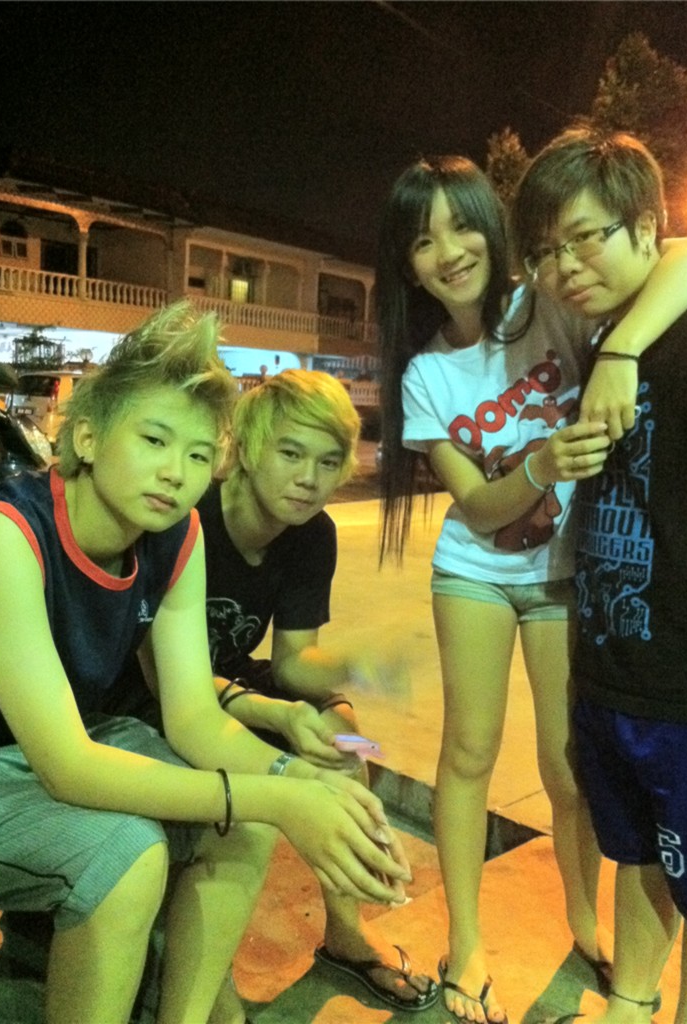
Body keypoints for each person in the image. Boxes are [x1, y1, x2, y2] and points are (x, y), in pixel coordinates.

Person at [0, 301, 413, 1024]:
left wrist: (301, 781)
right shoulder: (4, 534)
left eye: (196, 455)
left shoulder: (177, 534)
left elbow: (194, 715)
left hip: (28, 752)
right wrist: (280, 795)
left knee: (249, 819)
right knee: (124, 855)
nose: (176, 472)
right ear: (88, 436)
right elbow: (68, 765)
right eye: (155, 440)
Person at [375, 155, 687, 1024]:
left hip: (569, 572)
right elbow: (479, 507)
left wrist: (620, 350)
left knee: (570, 769)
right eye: (422, 241)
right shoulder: (425, 375)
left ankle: (583, 916)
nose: (449, 251)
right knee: (468, 752)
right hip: (477, 571)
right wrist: (543, 464)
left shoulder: (551, 299)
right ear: (406, 265)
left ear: (495, 230)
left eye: (462, 225)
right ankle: (467, 946)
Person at [122, 367, 438, 1013]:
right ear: (245, 448)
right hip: (146, 691)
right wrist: (281, 717)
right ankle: (201, 968)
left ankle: (345, 933)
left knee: (345, 745)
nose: (309, 478)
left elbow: (294, 664)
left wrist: (352, 674)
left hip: (229, 683)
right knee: (249, 808)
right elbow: (166, 676)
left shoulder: (312, 534)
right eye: (291, 454)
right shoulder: (188, 518)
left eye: (327, 461)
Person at [511, 126, 687, 1024]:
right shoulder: (602, 343)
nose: (565, 267)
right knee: (641, 856)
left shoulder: (686, 333)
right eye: (547, 252)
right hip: (613, 669)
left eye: (585, 237)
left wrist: (623, 351)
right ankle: (630, 1002)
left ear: (647, 226)